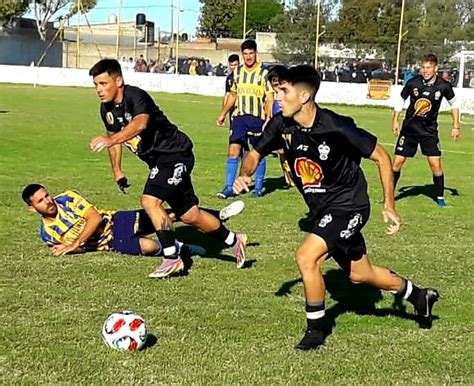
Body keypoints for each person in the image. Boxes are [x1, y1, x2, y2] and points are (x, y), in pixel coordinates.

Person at [233, 65, 440, 351]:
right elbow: (254, 154)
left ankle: (316, 329)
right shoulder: (281, 124)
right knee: (360, 274)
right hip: (323, 210)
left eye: (283, 90)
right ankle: (418, 296)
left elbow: (381, 157)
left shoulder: (336, 126)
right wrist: (244, 173)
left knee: (307, 257)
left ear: (304, 96)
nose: (277, 96)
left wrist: (389, 205)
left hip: (350, 205)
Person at [88, 59, 248, 279]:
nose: (99, 89)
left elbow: (140, 124)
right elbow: (113, 141)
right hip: (160, 162)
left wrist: (112, 139)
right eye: (96, 84)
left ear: (119, 80)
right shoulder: (105, 109)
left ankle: (172, 258)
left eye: (103, 83)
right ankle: (234, 240)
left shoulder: (136, 96)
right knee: (190, 215)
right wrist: (117, 170)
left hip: (175, 155)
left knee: (150, 201)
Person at [22, 184, 245, 264]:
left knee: (167, 214)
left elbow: (95, 218)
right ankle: (182, 248)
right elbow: (77, 248)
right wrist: (74, 249)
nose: (48, 201)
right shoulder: (48, 233)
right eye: (41, 200)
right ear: (33, 208)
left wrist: (74, 243)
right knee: (151, 247)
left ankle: (218, 215)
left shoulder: (66, 199)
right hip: (113, 243)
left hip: (119, 221)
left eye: (47, 195)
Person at [392, 54, 461, 207]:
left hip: (428, 131)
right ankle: (390, 195)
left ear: (435, 68)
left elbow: (454, 104)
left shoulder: (443, 86)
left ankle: (440, 197)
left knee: (435, 165)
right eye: (423, 67)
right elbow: (400, 100)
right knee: (397, 162)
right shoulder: (413, 83)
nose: (425, 71)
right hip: (409, 130)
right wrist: (395, 120)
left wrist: (455, 125)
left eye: (428, 68)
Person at [216, 39, 274, 198]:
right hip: (239, 118)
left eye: (251, 53)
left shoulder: (264, 73)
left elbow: (270, 97)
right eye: (245, 54)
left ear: (256, 53)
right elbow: (233, 95)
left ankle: (258, 187)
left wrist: (269, 117)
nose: (248, 57)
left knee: (258, 152)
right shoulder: (238, 72)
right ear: (242, 55)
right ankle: (229, 187)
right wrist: (222, 113)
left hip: (257, 118)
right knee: (233, 150)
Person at [267, 65, 294, 189]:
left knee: (289, 153)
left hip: (288, 129)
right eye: (273, 81)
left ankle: (294, 177)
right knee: (281, 153)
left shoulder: (288, 97)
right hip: (279, 129)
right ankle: (288, 179)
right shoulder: (275, 98)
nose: (275, 83)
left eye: (277, 80)